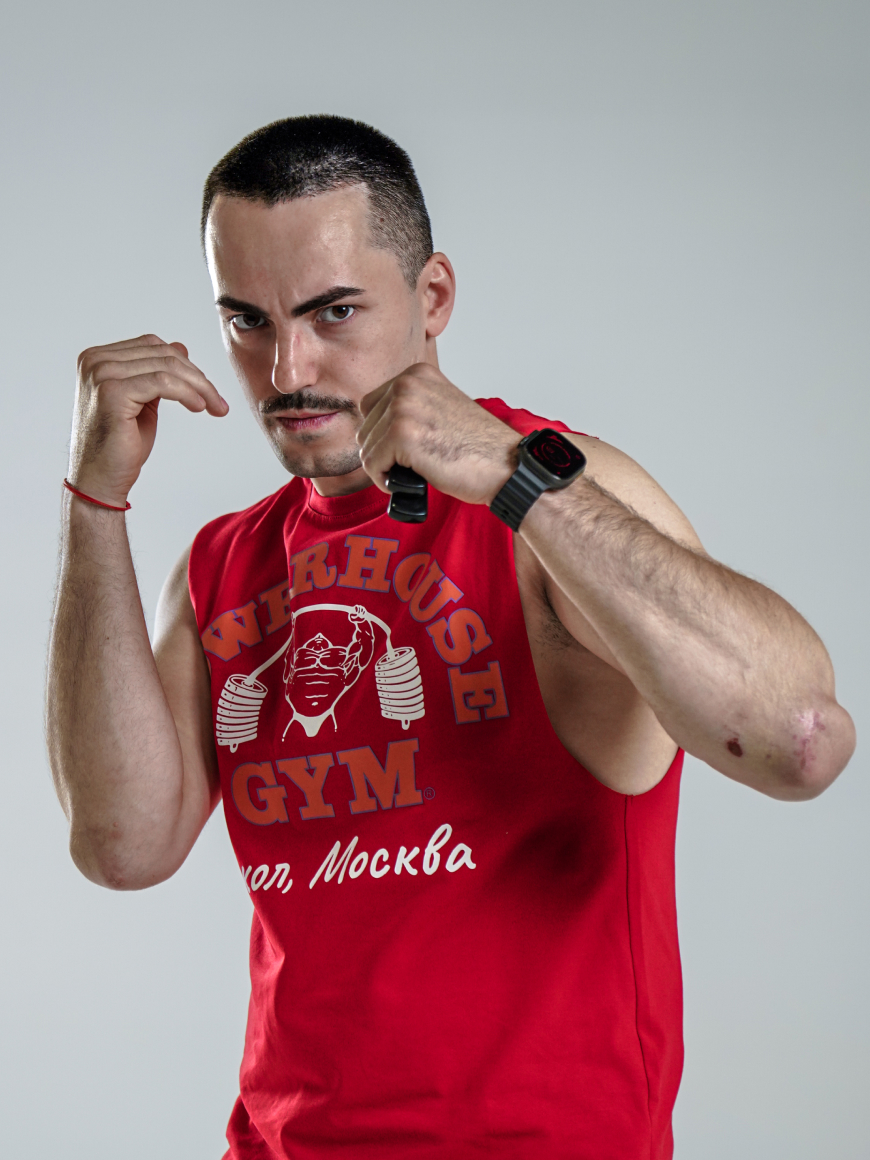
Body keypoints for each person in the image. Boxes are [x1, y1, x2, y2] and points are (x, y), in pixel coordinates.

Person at [46, 115, 856, 1159]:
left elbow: (800, 741)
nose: (286, 368)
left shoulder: (558, 500)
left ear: (432, 297)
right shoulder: (223, 565)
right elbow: (122, 847)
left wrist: (517, 477)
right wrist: (94, 499)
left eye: (334, 311)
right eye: (247, 321)